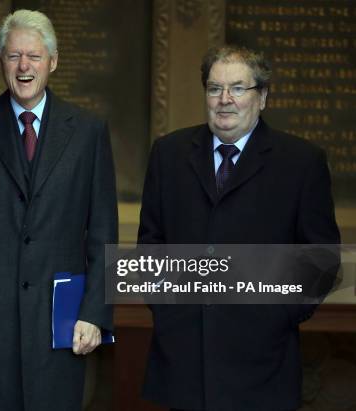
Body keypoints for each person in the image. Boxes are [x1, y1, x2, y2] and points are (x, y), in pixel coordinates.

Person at [0, 9, 117, 411]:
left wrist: (95, 312)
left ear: (53, 61)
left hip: (57, 328)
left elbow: (103, 233)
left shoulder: (88, 132)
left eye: (34, 55)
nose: (24, 66)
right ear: (1, 62)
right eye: (14, 56)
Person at [137, 45, 340, 411]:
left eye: (238, 89)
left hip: (262, 366)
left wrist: (276, 315)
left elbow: (321, 260)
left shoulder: (301, 162)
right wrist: (168, 307)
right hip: (184, 361)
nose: (224, 100)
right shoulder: (169, 154)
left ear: (262, 97)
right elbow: (151, 245)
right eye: (214, 89)